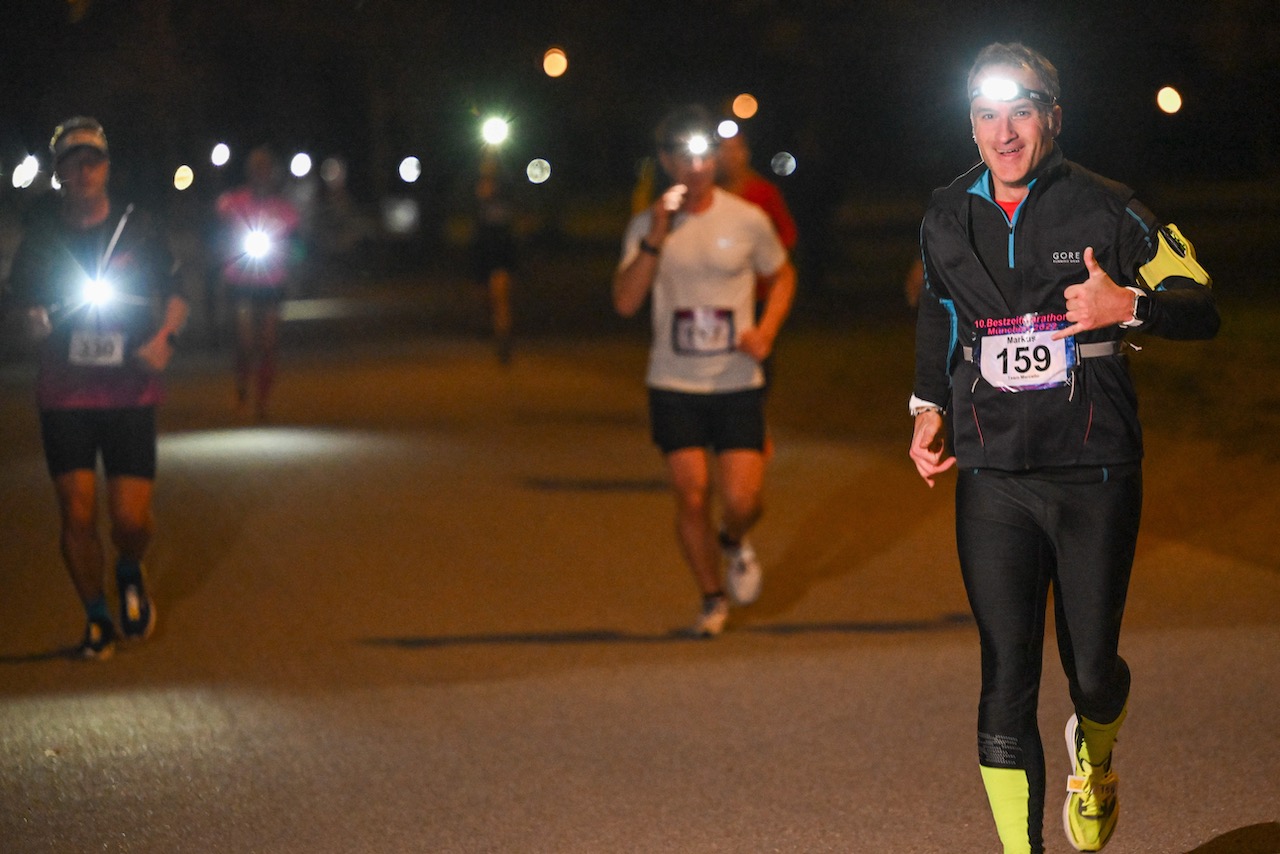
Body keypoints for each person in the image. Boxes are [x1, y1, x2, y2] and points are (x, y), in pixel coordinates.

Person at [908, 44, 1219, 853]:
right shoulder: (946, 211)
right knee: (1007, 673)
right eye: (985, 114)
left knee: (1091, 671)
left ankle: (1099, 749)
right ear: (970, 123)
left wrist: (1132, 304)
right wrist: (927, 405)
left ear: (1053, 114)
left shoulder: (1111, 209)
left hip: (1094, 468)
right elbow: (941, 309)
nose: (1003, 132)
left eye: (1020, 111)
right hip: (994, 473)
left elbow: (1202, 303)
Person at [7, 117, 189, 660]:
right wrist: (31, 321)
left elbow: (176, 292)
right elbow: (19, 305)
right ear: (58, 174)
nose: (82, 172)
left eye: (92, 161)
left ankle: (130, 569)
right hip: (65, 394)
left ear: (107, 168)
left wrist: (165, 338)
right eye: (71, 163)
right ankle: (95, 616)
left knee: (129, 520)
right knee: (77, 513)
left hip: (129, 391)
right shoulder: (42, 239)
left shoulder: (139, 228)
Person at [613, 105, 796, 637]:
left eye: (704, 156)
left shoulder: (746, 218)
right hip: (673, 383)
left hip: (736, 381)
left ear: (715, 159)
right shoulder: (648, 225)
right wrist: (656, 236)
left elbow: (783, 277)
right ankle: (712, 597)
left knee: (742, 501)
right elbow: (625, 302)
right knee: (691, 493)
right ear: (667, 162)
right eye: (683, 156)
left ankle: (734, 540)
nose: (696, 166)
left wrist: (765, 332)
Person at [214, 146, 300, 420]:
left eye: (265, 170)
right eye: (256, 170)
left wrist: (291, 255)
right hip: (241, 279)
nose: (261, 175)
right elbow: (221, 219)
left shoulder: (282, 208)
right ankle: (241, 388)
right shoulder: (235, 202)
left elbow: (294, 237)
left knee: (268, 343)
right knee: (244, 339)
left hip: (272, 280)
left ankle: (262, 401)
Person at [472, 157, 517, 364]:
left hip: (502, 250)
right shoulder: (475, 187)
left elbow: (519, 215)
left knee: (501, 295)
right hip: (483, 250)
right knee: (485, 296)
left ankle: (503, 338)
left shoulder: (509, 188)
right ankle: (491, 328)